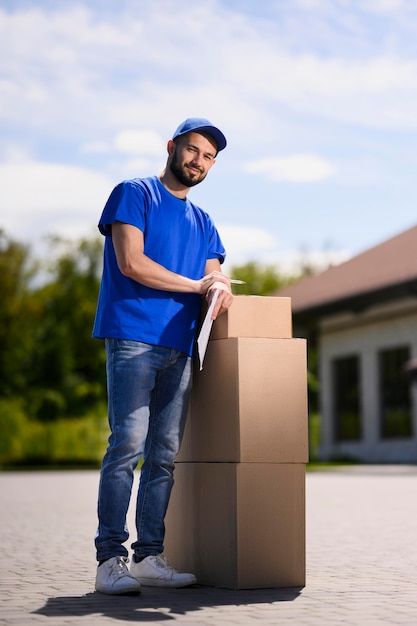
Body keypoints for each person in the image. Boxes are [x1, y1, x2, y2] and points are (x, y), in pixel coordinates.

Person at [92, 117, 233, 595]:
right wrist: (196, 284)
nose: (199, 161)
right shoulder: (134, 193)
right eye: (193, 150)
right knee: (126, 446)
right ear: (172, 147)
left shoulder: (204, 222)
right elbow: (131, 262)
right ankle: (110, 559)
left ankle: (149, 556)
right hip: (133, 336)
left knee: (165, 457)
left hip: (180, 346)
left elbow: (213, 274)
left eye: (209, 156)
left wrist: (218, 288)